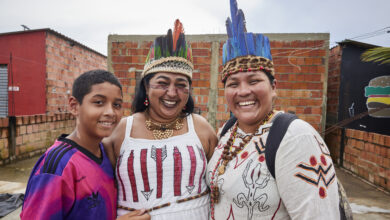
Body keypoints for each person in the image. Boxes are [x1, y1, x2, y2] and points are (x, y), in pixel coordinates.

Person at [206, 1, 341, 219]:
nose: (243, 91)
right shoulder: (227, 130)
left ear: (274, 87)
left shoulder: (296, 138)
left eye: (253, 80)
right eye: (233, 84)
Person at [103, 19, 218, 219]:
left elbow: (221, 184)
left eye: (181, 84)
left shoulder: (201, 128)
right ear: (146, 88)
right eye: (162, 83)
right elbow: (99, 190)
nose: (172, 93)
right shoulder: (121, 130)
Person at [20, 70, 150, 220]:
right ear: (74, 106)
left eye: (117, 105)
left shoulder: (105, 153)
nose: (110, 112)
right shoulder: (57, 166)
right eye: (99, 102)